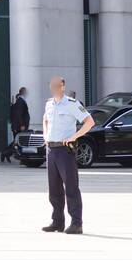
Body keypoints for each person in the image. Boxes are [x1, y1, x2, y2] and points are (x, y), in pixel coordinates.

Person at [42, 76, 93, 234]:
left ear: (63, 87)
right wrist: (45, 135)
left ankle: (77, 223)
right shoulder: (49, 103)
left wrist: (74, 136)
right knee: (54, 189)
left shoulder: (72, 104)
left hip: (65, 150)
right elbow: (45, 119)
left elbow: (89, 122)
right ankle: (57, 222)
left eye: (57, 85)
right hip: (51, 150)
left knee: (71, 188)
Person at [2, 86, 30, 163]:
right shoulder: (20, 101)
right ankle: (7, 153)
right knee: (18, 142)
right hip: (19, 126)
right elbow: (19, 114)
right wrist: (22, 125)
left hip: (18, 126)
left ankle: (6, 153)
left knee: (17, 142)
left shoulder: (20, 101)